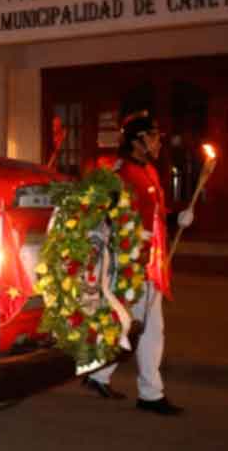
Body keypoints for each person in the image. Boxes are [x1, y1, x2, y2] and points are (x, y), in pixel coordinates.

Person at [83, 110, 193, 415]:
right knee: (147, 328)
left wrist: (175, 217)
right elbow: (106, 217)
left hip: (150, 259)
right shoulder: (121, 175)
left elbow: (154, 211)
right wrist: (131, 247)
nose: (159, 142)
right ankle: (150, 393)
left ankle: (98, 374)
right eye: (153, 137)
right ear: (136, 142)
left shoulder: (150, 171)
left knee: (129, 322)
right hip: (133, 261)